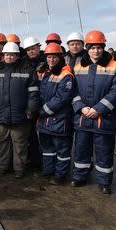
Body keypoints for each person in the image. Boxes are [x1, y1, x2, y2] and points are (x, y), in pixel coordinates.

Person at [71, 30, 116, 194]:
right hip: (83, 118)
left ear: (104, 47)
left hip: (104, 119)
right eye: (92, 47)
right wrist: (82, 107)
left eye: (99, 47)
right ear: (87, 48)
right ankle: (79, 177)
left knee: (104, 151)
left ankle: (104, 182)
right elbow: (73, 91)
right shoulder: (78, 67)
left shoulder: (115, 66)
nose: (96, 51)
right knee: (81, 149)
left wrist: (98, 109)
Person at [0, 42, 39, 179]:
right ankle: (2, 167)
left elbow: (33, 93)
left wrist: (30, 110)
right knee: (2, 143)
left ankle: (19, 169)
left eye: (12, 55)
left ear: (17, 56)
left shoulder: (27, 70)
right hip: (1, 115)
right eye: (7, 54)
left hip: (20, 115)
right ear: (3, 55)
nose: (9, 57)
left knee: (19, 144)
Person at [37, 43, 74, 185]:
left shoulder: (66, 75)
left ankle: (60, 175)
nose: (51, 60)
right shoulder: (45, 72)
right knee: (47, 149)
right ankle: (48, 170)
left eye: (54, 57)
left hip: (59, 119)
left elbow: (62, 98)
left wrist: (41, 111)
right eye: (49, 57)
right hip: (45, 121)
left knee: (62, 150)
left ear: (60, 57)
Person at [22, 36, 44, 172]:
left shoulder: (46, 61)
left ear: (38, 48)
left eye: (33, 49)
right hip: (28, 103)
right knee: (30, 134)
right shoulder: (23, 63)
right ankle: (34, 160)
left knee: (43, 135)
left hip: (43, 102)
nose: (31, 51)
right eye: (28, 50)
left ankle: (43, 161)